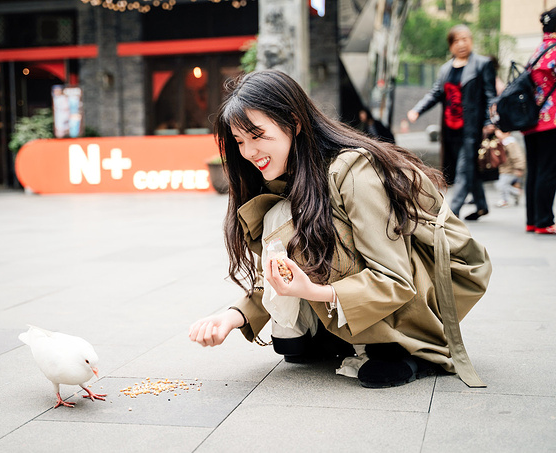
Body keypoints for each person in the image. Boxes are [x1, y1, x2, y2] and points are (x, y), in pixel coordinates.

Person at [188, 70, 491, 389]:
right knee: (280, 217)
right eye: (239, 141)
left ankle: (401, 345)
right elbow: (280, 269)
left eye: (257, 135)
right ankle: (337, 336)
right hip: (381, 286)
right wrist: (232, 317)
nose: (249, 152)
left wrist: (312, 293)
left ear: (294, 122)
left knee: (293, 216)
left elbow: (395, 278)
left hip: (429, 284)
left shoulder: (354, 170)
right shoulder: (293, 177)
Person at [407, 25, 497, 221]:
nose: (461, 44)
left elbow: (491, 96)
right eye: (456, 40)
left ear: (471, 41)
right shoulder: (446, 69)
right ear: (450, 46)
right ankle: (481, 205)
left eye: (465, 39)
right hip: (450, 128)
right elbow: (435, 94)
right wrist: (417, 110)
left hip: (472, 128)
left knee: (463, 170)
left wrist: (490, 121)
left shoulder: (482, 64)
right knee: (467, 167)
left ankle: (451, 213)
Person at [523, 7, 556, 235]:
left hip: (531, 121)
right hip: (551, 120)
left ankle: (533, 220)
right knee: (547, 169)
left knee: (534, 169)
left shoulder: (538, 50)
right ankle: (544, 221)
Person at [494, 129, 525, 208]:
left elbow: (517, 156)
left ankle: (504, 200)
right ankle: (516, 192)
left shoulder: (510, 143)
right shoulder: (503, 142)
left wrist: (519, 168)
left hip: (510, 169)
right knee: (502, 185)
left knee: (502, 185)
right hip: (504, 169)